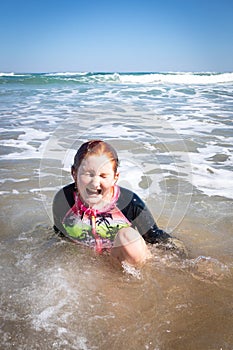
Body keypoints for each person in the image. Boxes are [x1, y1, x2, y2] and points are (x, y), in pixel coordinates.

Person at [53, 140, 171, 267]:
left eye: (103, 176)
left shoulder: (130, 202)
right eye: (88, 174)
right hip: (86, 266)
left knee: (127, 237)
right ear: (74, 173)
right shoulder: (64, 200)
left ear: (115, 177)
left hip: (122, 263)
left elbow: (156, 239)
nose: (95, 183)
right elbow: (60, 236)